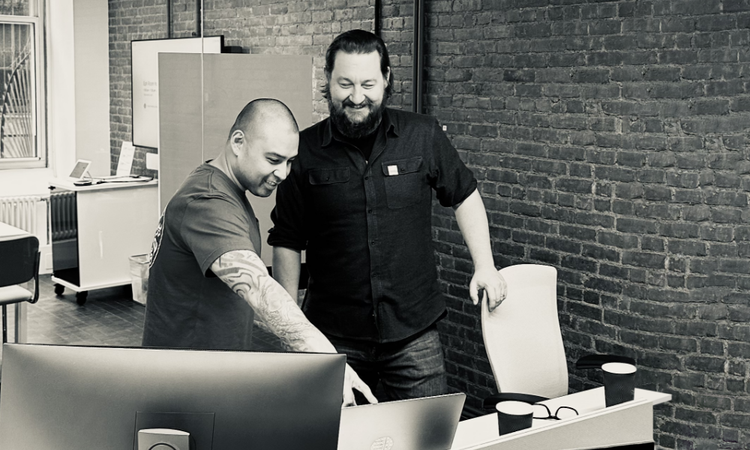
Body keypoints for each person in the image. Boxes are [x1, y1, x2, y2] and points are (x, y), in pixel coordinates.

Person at [268, 30, 507, 402]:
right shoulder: (305, 151)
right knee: (333, 439)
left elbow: (464, 195)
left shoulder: (422, 135)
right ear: (328, 81)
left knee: (423, 438)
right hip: (332, 337)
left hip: (414, 333)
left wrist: (485, 265)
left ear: (387, 80)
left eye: (368, 83)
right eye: (345, 83)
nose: (357, 96)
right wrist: (290, 326)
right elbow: (286, 239)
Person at [142, 98, 376, 406]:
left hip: (208, 380)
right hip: (184, 388)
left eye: (290, 161)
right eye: (274, 159)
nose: (283, 173)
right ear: (238, 142)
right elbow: (258, 288)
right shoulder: (208, 201)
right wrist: (328, 360)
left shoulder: (224, 190)